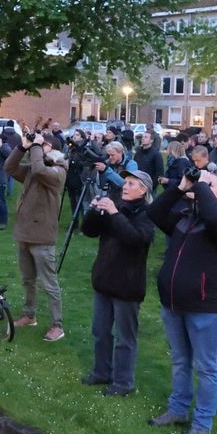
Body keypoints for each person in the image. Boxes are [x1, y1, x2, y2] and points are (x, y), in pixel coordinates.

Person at [146, 168, 217, 434]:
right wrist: (179, 188)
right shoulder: (184, 216)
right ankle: (177, 409)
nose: (201, 186)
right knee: (179, 360)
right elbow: (154, 213)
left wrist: (199, 185)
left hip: (205, 307)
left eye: (209, 184)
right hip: (174, 302)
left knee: (207, 367)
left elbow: (213, 217)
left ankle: (202, 423)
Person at [80, 170, 157, 396]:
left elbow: (135, 239)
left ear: (143, 189)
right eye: (125, 182)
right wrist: (96, 211)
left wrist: (114, 213)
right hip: (104, 280)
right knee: (100, 331)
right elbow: (89, 231)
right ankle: (101, 372)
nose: (125, 186)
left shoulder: (147, 214)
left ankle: (124, 382)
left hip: (128, 285)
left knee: (125, 338)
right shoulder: (117, 206)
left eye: (131, 183)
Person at [4, 133, 69, 342]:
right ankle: (29, 315)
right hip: (24, 233)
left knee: (49, 284)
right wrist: (22, 148)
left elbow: (41, 170)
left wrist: (36, 146)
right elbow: (10, 168)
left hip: (42, 236)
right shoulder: (34, 168)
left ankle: (57, 325)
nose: (37, 148)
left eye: (43, 145)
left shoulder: (58, 171)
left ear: (52, 147)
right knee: (27, 279)